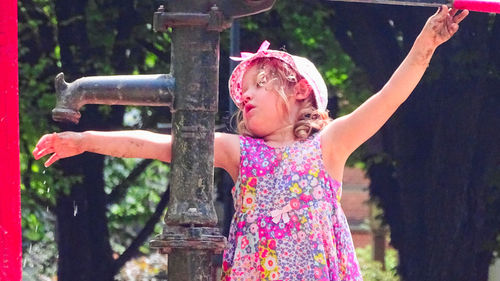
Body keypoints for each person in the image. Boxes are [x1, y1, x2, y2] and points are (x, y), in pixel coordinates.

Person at [33, 6, 468, 281]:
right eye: (245, 91)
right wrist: (85, 139)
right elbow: (157, 144)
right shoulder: (243, 153)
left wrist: (427, 43)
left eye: (261, 83)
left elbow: (389, 96)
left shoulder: (329, 147)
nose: (246, 96)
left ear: (298, 92)